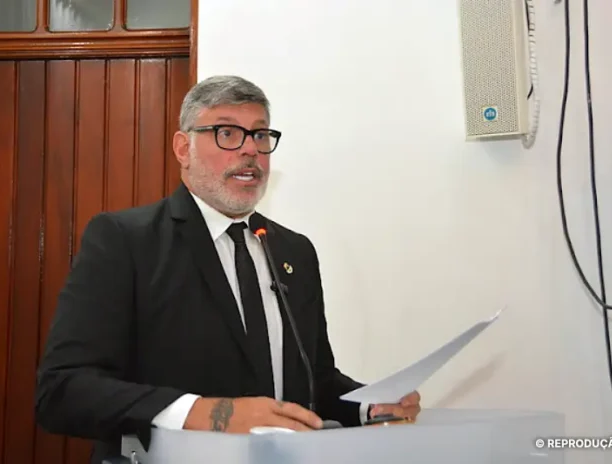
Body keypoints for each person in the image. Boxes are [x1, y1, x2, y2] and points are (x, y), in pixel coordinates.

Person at [35, 75, 421, 463]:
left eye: (260, 135)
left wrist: (368, 406)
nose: (250, 149)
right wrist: (208, 413)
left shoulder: (295, 252)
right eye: (227, 133)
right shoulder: (125, 240)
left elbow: (312, 380)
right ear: (183, 148)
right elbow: (64, 389)